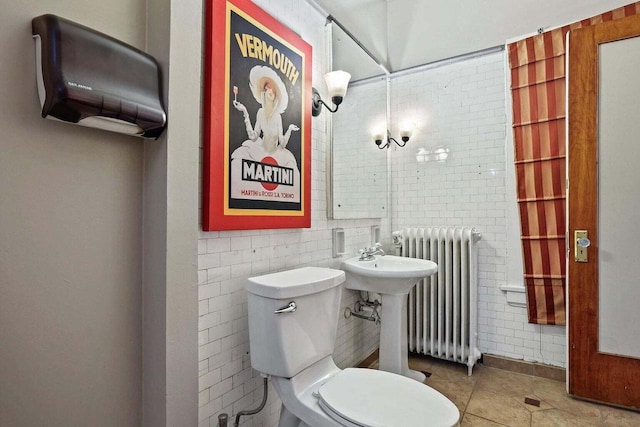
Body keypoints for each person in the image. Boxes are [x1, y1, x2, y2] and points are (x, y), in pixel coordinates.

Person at [229, 65, 301, 202]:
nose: (271, 91)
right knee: (238, 160)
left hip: (276, 153)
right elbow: (253, 136)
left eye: (273, 89)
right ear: (264, 91)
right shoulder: (260, 113)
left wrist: (290, 130)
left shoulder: (278, 117)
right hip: (260, 149)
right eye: (268, 87)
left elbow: (283, 143)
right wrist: (245, 112)